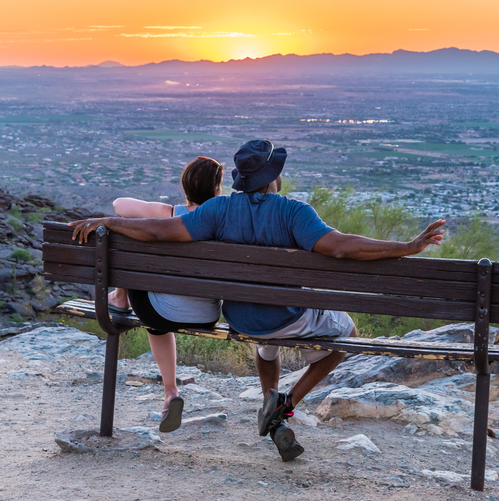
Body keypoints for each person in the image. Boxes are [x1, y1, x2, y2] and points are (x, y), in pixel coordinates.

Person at [70, 140, 444, 461]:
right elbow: (343, 248)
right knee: (343, 337)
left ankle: (269, 397)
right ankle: (283, 405)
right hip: (288, 317)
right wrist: (406, 247)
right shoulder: (295, 212)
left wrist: (111, 221)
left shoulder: (216, 209)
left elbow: (160, 231)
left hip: (241, 319)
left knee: (266, 342)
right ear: (272, 177)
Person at [104, 156, 226, 433]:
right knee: (161, 315)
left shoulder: (169, 213)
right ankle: (169, 393)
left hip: (159, 312)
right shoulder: (225, 219)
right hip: (208, 315)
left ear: (185, 188)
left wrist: (162, 209)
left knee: (131, 243)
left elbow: (119, 206)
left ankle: (170, 390)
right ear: (218, 190)